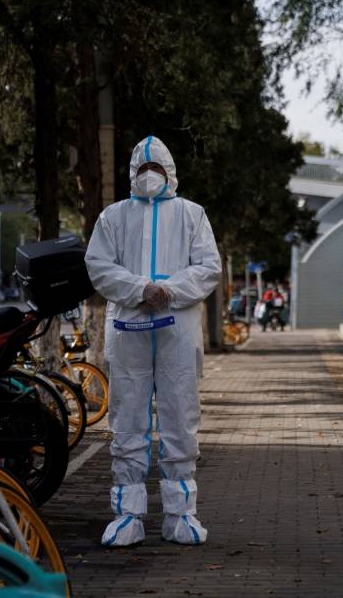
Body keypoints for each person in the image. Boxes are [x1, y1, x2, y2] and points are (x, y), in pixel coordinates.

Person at [85, 135, 221, 547]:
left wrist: (169, 292)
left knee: (180, 416)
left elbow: (208, 267)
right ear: (132, 174)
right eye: (142, 169)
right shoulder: (113, 217)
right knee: (127, 419)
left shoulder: (192, 214)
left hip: (177, 331)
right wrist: (141, 288)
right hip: (128, 330)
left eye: (156, 169)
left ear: (171, 173)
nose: (149, 176)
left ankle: (181, 513)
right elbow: (98, 266)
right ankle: (127, 514)